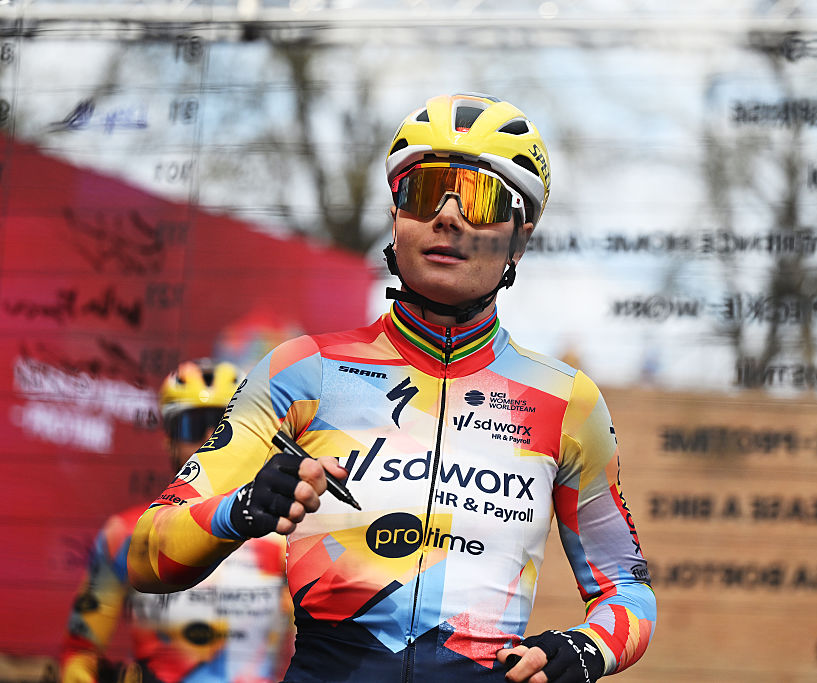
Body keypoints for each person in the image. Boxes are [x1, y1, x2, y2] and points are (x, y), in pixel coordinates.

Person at [128, 93, 656, 682]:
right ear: (397, 215)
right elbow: (146, 552)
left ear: (519, 236)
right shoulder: (300, 371)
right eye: (426, 194)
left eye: (479, 201)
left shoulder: (568, 403)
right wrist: (242, 509)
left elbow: (629, 595)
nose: (448, 218)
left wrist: (580, 652)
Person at [62, 359, 293, 683]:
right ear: (168, 439)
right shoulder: (125, 534)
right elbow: (80, 651)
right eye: (193, 424)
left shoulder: (285, 535)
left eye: (225, 424)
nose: (211, 438)